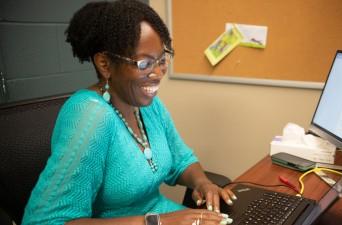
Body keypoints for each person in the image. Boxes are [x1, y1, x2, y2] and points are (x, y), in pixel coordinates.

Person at [21, 1, 236, 224]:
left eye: (162, 60)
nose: (158, 73)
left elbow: (181, 160)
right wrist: (157, 221)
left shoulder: (149, 105)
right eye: (144, 63)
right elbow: (46, 221)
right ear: (105, 64)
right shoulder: (90, 116)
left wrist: (202, 183)